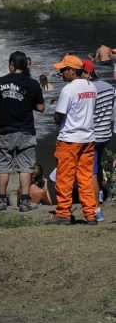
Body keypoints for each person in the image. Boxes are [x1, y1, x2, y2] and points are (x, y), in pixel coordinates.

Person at [0, 51, 45, 212]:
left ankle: (1, 200)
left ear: (11, 65)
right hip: (25, 131)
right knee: (25, 167)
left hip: (5, 131)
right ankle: (25, 201)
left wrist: (2, 104)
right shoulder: (32, 84)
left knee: (3, 166)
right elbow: (41, 108)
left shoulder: (0, 82)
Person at [51, 55, 98, 225]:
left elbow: (59, 115)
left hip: (69, 139)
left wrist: (55, 117)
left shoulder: (68, 89)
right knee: (85, 178)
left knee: (65, 178)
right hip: (88, 138)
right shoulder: (91, 87)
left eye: (64, 70)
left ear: (72, 70)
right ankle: (91, 214)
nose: (62, 73)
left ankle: (63, 213)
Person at [82, 60, 116, 220]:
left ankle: (97, 209)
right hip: (106, 134)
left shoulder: (88, 89)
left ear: (86, 73)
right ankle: (101, 196)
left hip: (93, 136)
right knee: (98, 166)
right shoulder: (110, 87)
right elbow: (113, 112)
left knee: (91, 172)